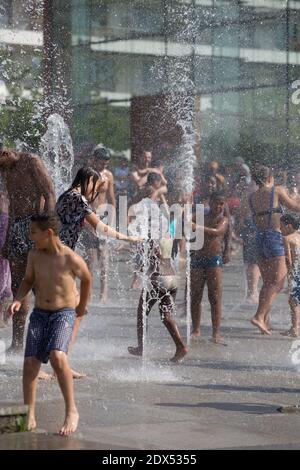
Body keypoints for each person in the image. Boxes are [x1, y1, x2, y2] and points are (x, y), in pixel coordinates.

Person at [7, 213, 92, 435]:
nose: (30, 237)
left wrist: (81, 305)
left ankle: (71, 410)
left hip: (63, 314)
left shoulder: (69, 258)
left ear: (48, 233)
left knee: (58, 356)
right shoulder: (34, 255)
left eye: (34, 232)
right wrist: (17, 299)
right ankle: (29, 413)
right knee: (30, 363)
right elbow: (28, 280)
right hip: (39, 314)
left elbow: (87, 278)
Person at [0, 147, 56, 352]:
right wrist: (7, 239)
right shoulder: (6, 169)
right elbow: (13, 205)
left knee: (41, 286)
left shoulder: (32, 161)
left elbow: (49, 193)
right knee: (18, 286)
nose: (1, 172)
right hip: (16, 228)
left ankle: (47, 341)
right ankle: (17, 343)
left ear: (5, 153)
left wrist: (46, 229)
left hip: (35, 225)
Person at [248, 165, 300, 335]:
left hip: (258, 239)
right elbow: (295, 207)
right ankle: (259, 316)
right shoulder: (276, 191)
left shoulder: (252, 196)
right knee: (278, 282)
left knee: (268, 282)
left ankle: (266, 322)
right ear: (270, 178)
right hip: (274, 238)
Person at [128, 237, 188, 363]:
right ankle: (180, 346)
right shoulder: (168, 235)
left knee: (142, 313)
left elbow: (156, 254)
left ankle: (141, 347)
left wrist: (144, 272)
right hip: (172, 277)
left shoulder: (153, 235)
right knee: (166, 316)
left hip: (158, 278)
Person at [190, 192, 229, 344]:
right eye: (216, 203)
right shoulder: (200, 216)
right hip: (198, 259)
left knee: (215, 297)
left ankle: (216, 333)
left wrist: (197, 227)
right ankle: (196, 330)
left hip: (214, 260)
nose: (219, 206)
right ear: (209, 202)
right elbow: (185, 220)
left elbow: (218, 232)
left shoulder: (223, 219)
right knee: (195, 296)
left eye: (222, 204)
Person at [280, 215, 300, 337]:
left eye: (281, 226)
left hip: (296, 272)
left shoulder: (287, 238)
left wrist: (289, 275)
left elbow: (288, 259)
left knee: (293, 301)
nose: (280, 229)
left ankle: (294, 328)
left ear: (288, 226)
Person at [0, 191, 12, 326]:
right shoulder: (5, 218)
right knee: (4, 287)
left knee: (6, 288)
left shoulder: (7, 218)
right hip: (4, 255)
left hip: (5, 256)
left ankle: (2, 316)